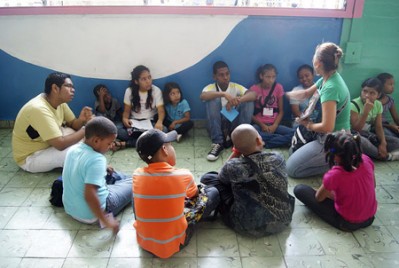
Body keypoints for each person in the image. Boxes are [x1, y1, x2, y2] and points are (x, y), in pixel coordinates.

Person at [133, 129, 220, 258]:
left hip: (144, 242)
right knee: (213, 192)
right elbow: (194, 195)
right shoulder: (183, 175)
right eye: (171, 145)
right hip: (174, 244)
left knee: (137, 192)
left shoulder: (137, 174)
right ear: (164, 149)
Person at [202, 124, 295, 237]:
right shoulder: (277, 158)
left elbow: (221, 177)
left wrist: (236, 153)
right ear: (258, 140)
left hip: (247, 227)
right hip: (283, 221)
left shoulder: (233, 166)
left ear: (236, 147)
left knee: (209, 177)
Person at [285, 42, 351, 178]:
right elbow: (305, 93)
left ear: (318, 62)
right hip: (326, 134)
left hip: (333, 139)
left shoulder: (331, 87)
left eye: (314, 56)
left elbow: (327, 126)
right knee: (293, 152)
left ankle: (337, 161)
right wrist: (288, 94)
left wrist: (308, 125)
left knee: (292, 169)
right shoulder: (327, 78)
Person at [294, 131, 377, 231]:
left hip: (347, 223)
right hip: (370, 218)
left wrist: (330, 193)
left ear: (336, 156)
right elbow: (374, 185)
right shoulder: (366, 159)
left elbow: (319, 198)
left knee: (300, 189)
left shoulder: (335, 174)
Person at [62, 116, 132, 234]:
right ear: (96, 141)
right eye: (109, 143)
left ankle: (118, 184)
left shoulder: (73, 149)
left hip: (70, 209)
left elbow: (80, 170)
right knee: (134, 181)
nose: (111, 146)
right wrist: (106, 220)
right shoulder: (97, 159)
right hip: (92, 215)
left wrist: (102, 169)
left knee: (115, 175)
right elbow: (89, 194)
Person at [12, 72, 93, 173]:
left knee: (77, 136)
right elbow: (60, 144)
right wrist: (87, 128)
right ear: (55, 88)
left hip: (48, 144)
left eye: (73, 87)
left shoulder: (58, 102)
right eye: (68, 86)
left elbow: (72, 123)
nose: (73, 90)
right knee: (77, 152)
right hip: (31, 157)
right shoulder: (38, 108)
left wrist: (81, 120)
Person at [200, 61, 256, 161]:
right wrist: (223, 94)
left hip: (231, 123)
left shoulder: (235, 86)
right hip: (216, 125)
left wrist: (237, 100)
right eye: (221, 75)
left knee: (248, 101)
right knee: (212, 99)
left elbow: (253, 95)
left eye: (227, 74)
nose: (225, 77)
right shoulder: (210, 87)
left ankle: (241, 141)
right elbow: (203, 96)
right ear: (215, 77)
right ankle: (218, 143)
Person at [117, 65, 165, 150]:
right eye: (144, 79)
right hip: (134, 123)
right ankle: (147, 139)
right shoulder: (129, 91)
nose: (148, 81)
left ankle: (127, 143)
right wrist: (125, 119)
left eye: (149, 77)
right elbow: (126, 112)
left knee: (164, 130)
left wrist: (159, 121)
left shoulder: (156, 90)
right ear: (136, 81)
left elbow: (161, 111)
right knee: (117, 130)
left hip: (150, 122)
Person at [350, 77, 399, 161]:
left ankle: (377, 151)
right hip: (356, 134)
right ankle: (386, 156)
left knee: (396, 142)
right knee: (360, 141)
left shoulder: (378, 104)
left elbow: (378, 126)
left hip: (371, 134)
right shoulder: (354, 104)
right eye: (364, 91)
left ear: (378, 95)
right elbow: (356, 129)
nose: (367, 95)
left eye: (372, 93)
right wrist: (365, 112)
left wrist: (383, 143)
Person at [251, 64, 295, 148]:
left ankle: (267, 143)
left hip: (274, 124)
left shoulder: (278, 87)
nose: (271, 80)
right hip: (259, 125)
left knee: (294, 132)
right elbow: (250, 114)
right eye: (268, 77)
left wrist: (274, 126)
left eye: (273, 77)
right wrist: (262, 125)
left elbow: (281, 111)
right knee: (252, 134)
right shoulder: (254, 89)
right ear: (261, 76)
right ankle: (280, 140)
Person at [377, 73, 399, 137]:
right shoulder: (374, 101)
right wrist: (390, 126)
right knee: (395, 140)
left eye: (393, 84)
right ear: (381, 85)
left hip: (387, 125)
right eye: (390, 84)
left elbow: (396, 119)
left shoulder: (390, 100)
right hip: (377, 127)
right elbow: (372, 122)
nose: (393, 87)